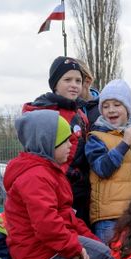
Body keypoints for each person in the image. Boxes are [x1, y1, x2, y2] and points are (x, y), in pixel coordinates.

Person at [4, 110, 114, 259]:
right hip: (37, 253)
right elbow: (46, 225)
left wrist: (93, 241)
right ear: (47, 143)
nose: (71, 145)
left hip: (47, 247)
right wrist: (75, 248)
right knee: (108, 258)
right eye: (65, 141)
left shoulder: (49, 171)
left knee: (105, 252)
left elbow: (67, 217)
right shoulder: (35, 177)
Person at [85, 79, 131, 243]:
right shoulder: (96, 138)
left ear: (128, 109)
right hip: (109, 219)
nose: (111, 110)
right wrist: (124, 144)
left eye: (117, 104)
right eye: (106, 106)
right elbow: (102, 169)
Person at [22, 56, 91, 226]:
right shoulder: (44, 114)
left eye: (78, 80)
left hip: (79, 190)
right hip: (54, 188)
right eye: (67, 79)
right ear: (55, 84)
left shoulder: (81, 115)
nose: (74, 85)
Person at [76, 58, 101, 125]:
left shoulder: (104, 106)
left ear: (87, 81)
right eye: (67, 80)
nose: (71, 85)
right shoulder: (67, 108)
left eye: (77, 81)